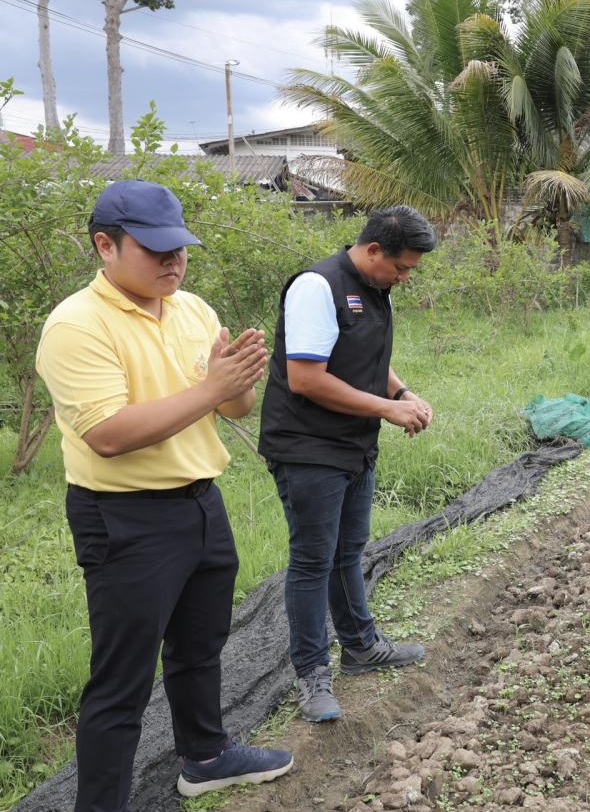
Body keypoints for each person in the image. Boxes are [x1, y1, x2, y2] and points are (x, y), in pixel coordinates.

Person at [35, 179, 294, 811]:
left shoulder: (192, 309)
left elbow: (232, 404)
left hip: (201, 502)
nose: (172, 262)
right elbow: (108, 435)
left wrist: (234, 380)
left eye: (179, 248)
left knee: (200, 645)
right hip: (124, 517)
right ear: (105, 246)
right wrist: (211, 390)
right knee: (121, 680)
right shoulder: (76, 325)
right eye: (155, 251)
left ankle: (206, 757)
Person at [258, 205, 437, 723]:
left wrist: (401, 391)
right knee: (313, 559)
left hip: (353, 444)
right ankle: (312, 673)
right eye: (401, 267)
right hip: (308, 446)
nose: (404, 278)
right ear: (374, 249)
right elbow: (307, 379)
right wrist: (387, 409)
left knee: (350, 549)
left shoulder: (375, 288)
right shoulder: (317, 287)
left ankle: (360, 645)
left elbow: (367, 359)